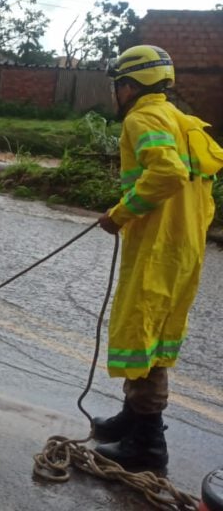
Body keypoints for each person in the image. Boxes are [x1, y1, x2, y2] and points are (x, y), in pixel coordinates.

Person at [94, 44, 222, 470]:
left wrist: (119, 214)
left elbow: (167, 172)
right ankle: (132, 419)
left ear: (128, 86)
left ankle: (147, 443)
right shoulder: (183, 121)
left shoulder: (142, 117)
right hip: (184, 248)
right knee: (158, 334)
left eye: (119, 85)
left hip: (156, 248)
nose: (117, 93)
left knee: (139, 334)